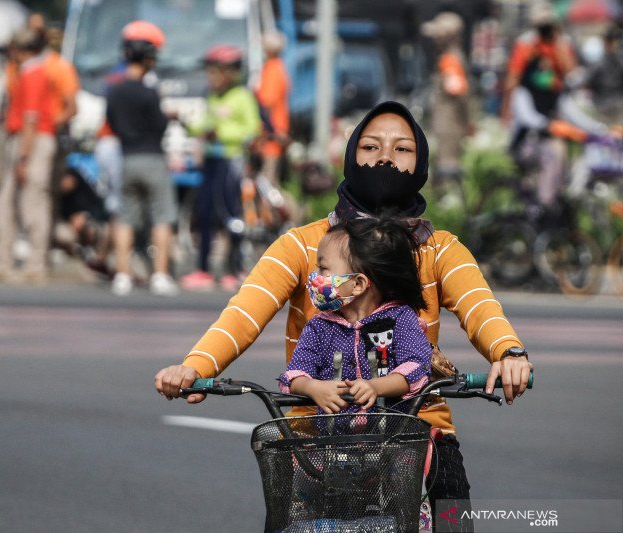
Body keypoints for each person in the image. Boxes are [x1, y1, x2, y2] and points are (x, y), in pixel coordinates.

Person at [155, 100, 533, 531]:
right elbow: (242, 314)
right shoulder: (302, 246)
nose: (386, 157)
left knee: (455, 523)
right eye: (371, 146)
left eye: (402, 149)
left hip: (421, 437)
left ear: (421, 162)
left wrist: (509, 352)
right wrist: (194, 368)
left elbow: (481, 306)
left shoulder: (440, 247)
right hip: (316, 446)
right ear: (351, 156)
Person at [279, 216, 431, 418]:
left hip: (393, 440)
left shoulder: (400, 319)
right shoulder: (318, 326)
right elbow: (296, 373)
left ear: (358, 284)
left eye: (323, 269)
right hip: (334, 442)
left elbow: (416, 366)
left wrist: (376, 387)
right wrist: (313, 388)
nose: (315, 276)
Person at [0, 28, 56, 283]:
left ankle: (36, 264)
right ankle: (2, 261)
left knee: (32, 205)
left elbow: (31, 119)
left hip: (30, 142)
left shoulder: (34, 74)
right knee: (5, 204)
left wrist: (23, 157)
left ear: (20, 51)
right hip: (22, 140)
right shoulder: (29, 72)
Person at [180, 45, 262, 293]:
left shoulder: (243, 97)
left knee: (230, 214)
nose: (210, 77)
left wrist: (223, 133)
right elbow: (205, 123)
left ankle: (233, 269)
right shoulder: (212, 96)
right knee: (204, 213)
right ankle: (203, 269)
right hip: (211, 161)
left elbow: (252, 130)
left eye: (215, 72)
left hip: (231, 161)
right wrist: (190, 126)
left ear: (230, 73)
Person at [106, 21, 179, 297]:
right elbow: (160, 126)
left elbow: (111, 123)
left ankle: (122, 275)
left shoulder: (115, 91)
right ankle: (159, 274)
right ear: (146, 60)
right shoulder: (150, 92)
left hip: (127, 157)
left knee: (125, 217)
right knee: (161, 216)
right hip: (152, 157)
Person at [421, 11, 471, 195]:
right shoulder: (451, 58)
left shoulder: (450, 61)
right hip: (449, 125)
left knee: (446, 174)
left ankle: (448, 216)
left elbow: (457, 91)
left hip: (449, 126)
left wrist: (467, 123)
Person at [255, 31, 291, 187]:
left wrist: (265, 132)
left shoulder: (272, 69)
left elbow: (266, 103)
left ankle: (292, 211)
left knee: (267, 183)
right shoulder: (278, 67)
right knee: (271, 182)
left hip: (272, 133)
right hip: (276, 130)